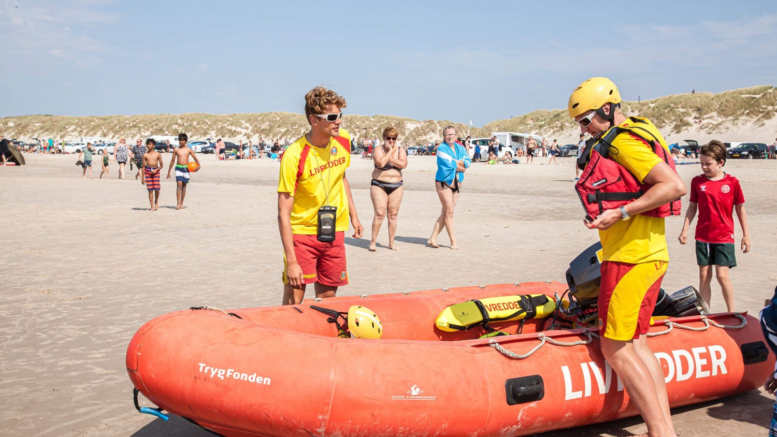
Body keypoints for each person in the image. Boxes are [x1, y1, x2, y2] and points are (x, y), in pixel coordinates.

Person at [569, 77, 686, 437]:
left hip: (631, 258)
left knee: (614, 347)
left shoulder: (623, 142)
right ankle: (664, 430)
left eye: (586, 120)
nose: (583, 129)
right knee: (637, 343)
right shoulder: (635, 130)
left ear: (607, 108)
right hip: (649, 255)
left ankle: (659, 432)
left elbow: (673, 186)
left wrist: (620, 212)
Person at [277, 86, 363, 305]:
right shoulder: (294, 155)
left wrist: (354, 216)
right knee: (294, 301)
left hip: (334, 231)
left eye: (340, 115)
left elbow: (341, 177)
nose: (339, 121)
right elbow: (283, 213)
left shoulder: (343, 140)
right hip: (303, 234)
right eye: (332, 117)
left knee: (327, 300)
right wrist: (291, 261)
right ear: (314, 120)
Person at [678, 140, 749, 312]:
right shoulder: (697, 182)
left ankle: (731, 312)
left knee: (722, 275)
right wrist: (685, 229)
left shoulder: (732, 182)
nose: (704, 167)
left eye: (708, 164)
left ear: (720, 162)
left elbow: (740, 209)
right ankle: (706, 314)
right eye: (701, 163)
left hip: (724, 236)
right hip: (703, 236)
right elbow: (692, 206)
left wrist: (746, 235)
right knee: (704, 276)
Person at [428, 126, 470, 250]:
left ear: (455, 135)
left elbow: (468, 162)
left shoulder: (460, 148)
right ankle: (453, 241)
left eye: (452, 134)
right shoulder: (441, 148)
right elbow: (449, 164)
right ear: (444, 136)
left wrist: (459, 164)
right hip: (444, 182)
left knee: (446, 212)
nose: (450, 136)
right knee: (450, 212)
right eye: (447, 134)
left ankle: (432, 238)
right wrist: (460, 165)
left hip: (457, 182)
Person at [369, 127, 407, 252]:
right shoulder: (378, 149)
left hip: (397, 185)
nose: (391, 141)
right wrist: (390, 152)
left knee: (393, 215)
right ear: (384, 138)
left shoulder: (401, 150)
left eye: (394, 138)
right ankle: (373, 242)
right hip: (379, 184)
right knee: (379, 214)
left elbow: (403, 164)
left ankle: (391, 243)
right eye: (389, 138)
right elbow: (380, 163)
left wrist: (388, 157)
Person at [166, 133, 200, 210]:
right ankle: (178, 204)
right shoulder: (176, 149)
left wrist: (199, 166)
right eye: (180, 140)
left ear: (185, 141)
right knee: (179, 185)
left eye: (182, 140)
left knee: (184, 187)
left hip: (186, 169)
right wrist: (169, 172)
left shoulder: (189, 150)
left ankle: (181, 203)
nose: (181, 142)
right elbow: (172, 161)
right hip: (178, 168)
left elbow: (195, 158)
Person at [143, 139, 163, 211]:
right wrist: (142, 178)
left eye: (150, 144)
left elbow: (161, 165)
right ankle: (152, 206)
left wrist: (156, 170)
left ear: (153, 145)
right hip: (148, 171)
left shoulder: (158, 154)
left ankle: (156, 201)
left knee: (157, 189)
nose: (148, 145)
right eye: (147, 144)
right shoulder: (145, 155)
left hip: (156, 171)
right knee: (150, 189)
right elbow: (143, 166)